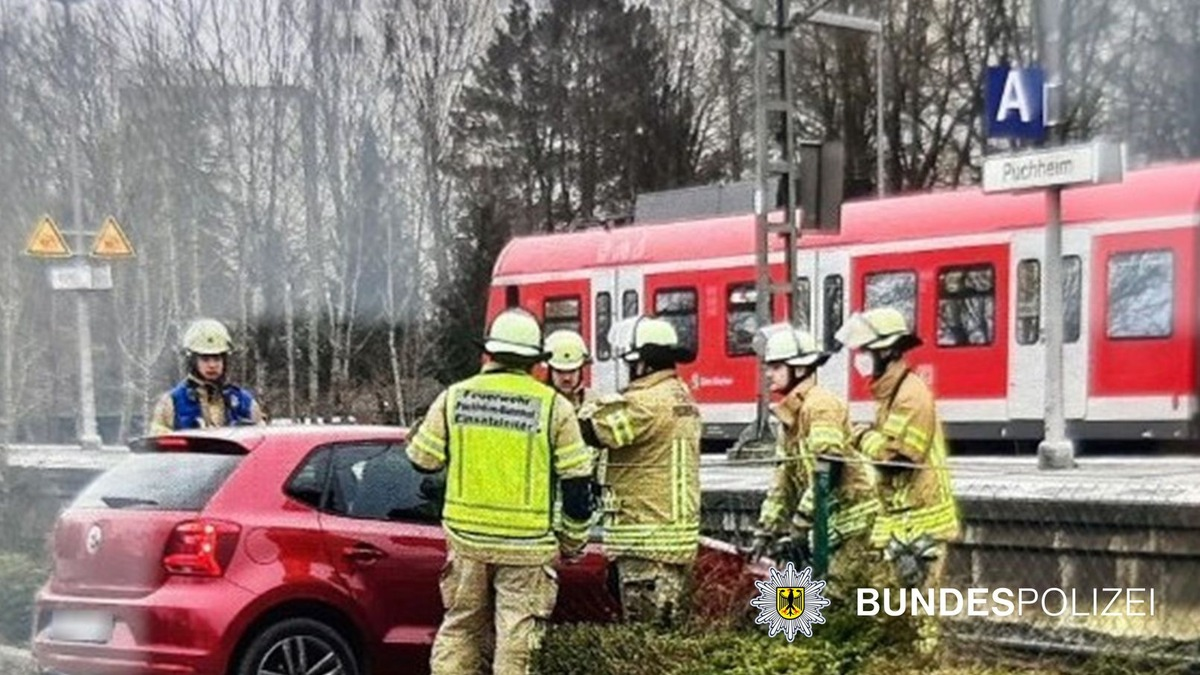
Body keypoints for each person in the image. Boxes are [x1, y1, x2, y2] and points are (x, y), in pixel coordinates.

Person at [406, 308, 595, 675]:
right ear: (534, 361)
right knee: (517, 637)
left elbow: (422, 460)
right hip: (527, 547)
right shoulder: (554, 407)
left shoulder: (455, 397)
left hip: (466, 542)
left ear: (490, 353)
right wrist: (572, 542)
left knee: (461, 628)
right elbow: (577, 486)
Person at [836, 307, 961, 656]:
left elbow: (897, 460)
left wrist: (862, 438)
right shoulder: (891, 393)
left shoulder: (911, 394)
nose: (859, 360)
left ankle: (924, 663)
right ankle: (900, 660)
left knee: (920, 610)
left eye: (865, 353)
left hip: (921, 522)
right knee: (888, 604)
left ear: (887, 351)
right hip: (901, 519)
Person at [578, 316, 701, 627]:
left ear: (642, 363)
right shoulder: (681, 395)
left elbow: (593, 432)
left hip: (645, 540)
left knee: (644, 633)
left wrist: (584, 406)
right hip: (672, 538)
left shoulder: (644, 403)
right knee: (668, 635)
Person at [748, 324, 880, 598]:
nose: (768, 373)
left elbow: (828, 466)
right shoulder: (790, 415)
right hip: (829, 526)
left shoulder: (820, 406)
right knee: (827, 598)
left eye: (775, 367)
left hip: (851, 524)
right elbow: (783, 479)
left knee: (838, 598)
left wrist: (800, 522)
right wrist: (765, 530)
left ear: (799, 369)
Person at [149, 318, 264, 435]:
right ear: (193, 361)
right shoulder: (172, 402)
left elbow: (261, 440)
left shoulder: (244, 402)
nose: (212, 365)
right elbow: (157, 444)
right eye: (205, 359)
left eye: (217, 358)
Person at [544, 329, 592, 407]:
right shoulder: (540, 402)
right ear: (550, 371)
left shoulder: (594, 403)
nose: (567, 378)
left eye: (572, 371)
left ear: (581, 370)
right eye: (559, 371)